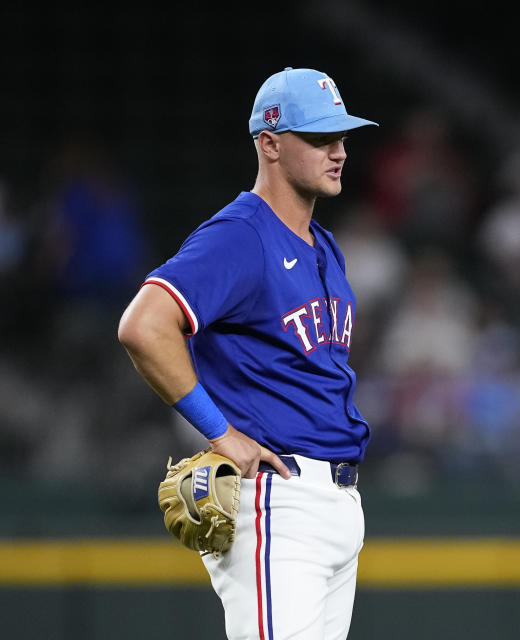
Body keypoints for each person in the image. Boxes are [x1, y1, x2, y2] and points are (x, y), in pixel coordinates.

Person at [117, 66, 377, 640]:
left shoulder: (323, 243)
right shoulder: (240, 234)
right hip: (277, 504)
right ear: (271, 143)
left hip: (337, 502)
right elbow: (143, 325)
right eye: (319, 138)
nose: (338, 151)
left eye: (342, 137)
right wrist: (219, 432)